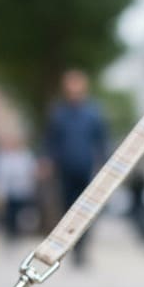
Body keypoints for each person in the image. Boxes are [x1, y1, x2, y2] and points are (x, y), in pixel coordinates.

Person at [43, 69, 108, 264]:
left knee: (86, 212)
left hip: (87, 169)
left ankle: (82, 249)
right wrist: (46, 160)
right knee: (67, 210)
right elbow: (50, 141)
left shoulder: (93, 113)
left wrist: (104, 166)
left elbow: (102, 141)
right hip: (64, 170)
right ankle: (68, 248)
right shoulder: (58, 113)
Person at [0, 136, 39, 241]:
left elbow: (30, 170)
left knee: (19, 211)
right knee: (9, 211)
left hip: (21, 187)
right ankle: (10, 231)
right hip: (7, 189)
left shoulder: (25, 155)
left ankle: (16, 231)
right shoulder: (2, 155)